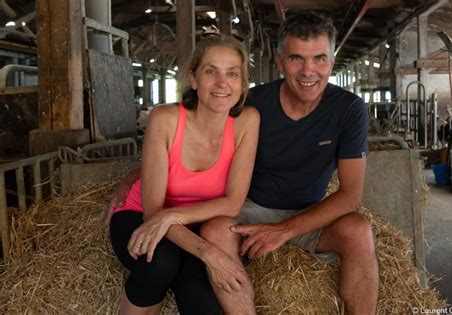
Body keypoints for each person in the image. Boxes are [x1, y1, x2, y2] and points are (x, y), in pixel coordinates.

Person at [109, 11, 378, 315]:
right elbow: (190, 143)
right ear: (279, 62)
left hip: (307, 211)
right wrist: (138, 173)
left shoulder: (349, 109)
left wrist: (285, 230)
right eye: (296, 59)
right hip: (249, 208)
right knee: (209, 234)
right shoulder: (250, 103)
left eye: (319, 58)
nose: (308, 71)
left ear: (332, 61)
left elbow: (351, 197)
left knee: (359, 230)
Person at [108, 34, 259, 315]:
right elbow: (153, 210)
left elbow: (233, 203)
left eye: (232, 74)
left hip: (193, 225)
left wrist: (173, 215)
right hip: (141, 216)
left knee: (199, 296)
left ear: (242, 83)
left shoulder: (247, 121)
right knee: (161, 260)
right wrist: (210, 253)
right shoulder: (165, 119)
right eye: (210, 71)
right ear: (193, 79)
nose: (222, 83)